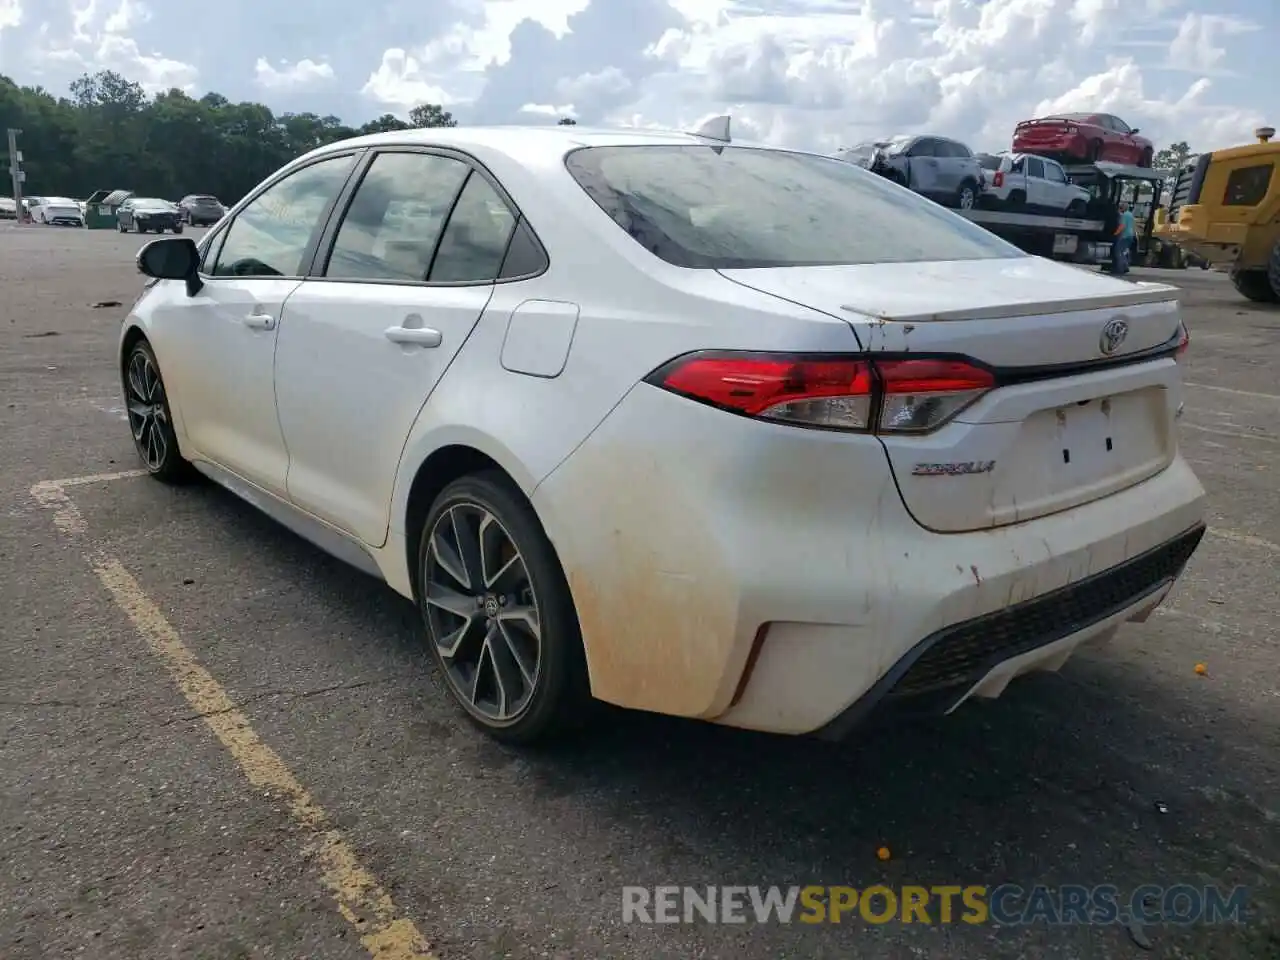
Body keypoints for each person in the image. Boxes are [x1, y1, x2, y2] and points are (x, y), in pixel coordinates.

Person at [1112, 200, 1136, 275]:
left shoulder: (1124, 215)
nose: (1120, 208)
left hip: (1124, 235)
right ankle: (1125, 266)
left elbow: (1122, 226)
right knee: (1124, 251)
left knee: (1119, 252)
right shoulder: (1131, 215)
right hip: (1131, 235)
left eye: (1121, 207)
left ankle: (1122, 268)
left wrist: (1116, 233)